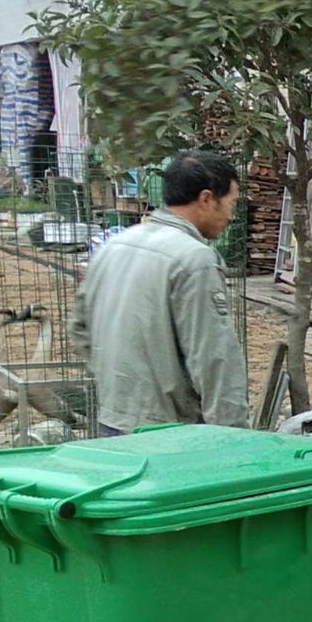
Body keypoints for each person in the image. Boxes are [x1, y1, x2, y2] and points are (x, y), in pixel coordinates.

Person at [69, 149, 250, 435]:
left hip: (113, 421)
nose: (232, 215)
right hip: (168, 435)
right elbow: (214, 360)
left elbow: (80, 329)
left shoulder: (113, 246)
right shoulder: (195, 259)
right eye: (232, 203)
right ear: (206, 199)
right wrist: (234, 438)